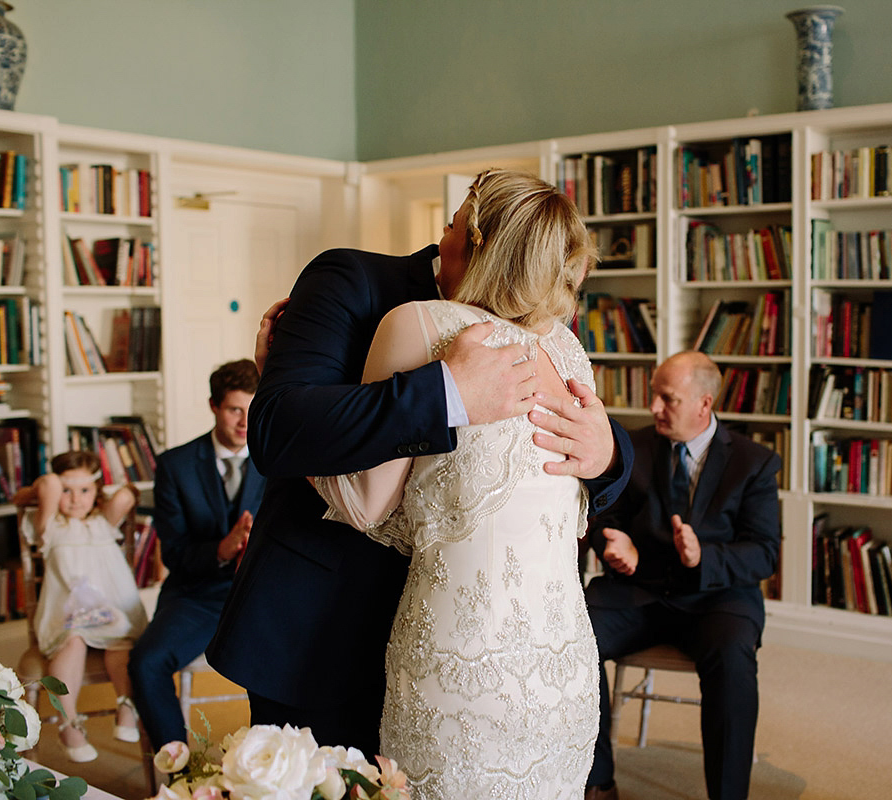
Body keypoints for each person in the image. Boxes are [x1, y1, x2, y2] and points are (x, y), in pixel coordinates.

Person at [206, 171, 633, 760]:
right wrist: (446, 392)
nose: (443, 232)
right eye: (453, 221)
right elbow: (276, 430)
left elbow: (570, 448)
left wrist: (608, 454)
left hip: (472, 646)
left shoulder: (538, 323)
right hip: (324, 628)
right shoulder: (349, 280)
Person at [311, 168, 602, 798]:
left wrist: (273, 378)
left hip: (460, 673)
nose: (437, 237)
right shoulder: (570, 351)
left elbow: (365, 503)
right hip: (563, 670)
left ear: (478, 243)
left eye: (449, 223)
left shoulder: (419, 324)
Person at [583, 351, 781, 800]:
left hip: (717, 598)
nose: (654, 408)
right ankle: (598, 783)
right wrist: (614, 540)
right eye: (655, 395)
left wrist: (703, 557)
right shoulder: (633, 447)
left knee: (732, 659)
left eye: (666, 399)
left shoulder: (753, 463)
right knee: (576, 633)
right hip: (640, 590)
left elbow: (763, 553)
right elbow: (600, 514)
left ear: (704, 404)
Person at [129, 359, 263, 751]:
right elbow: (175, 553)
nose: (244, 422)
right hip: (197, 595)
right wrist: (222, 549)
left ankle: (273, 771)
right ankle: (176, 770)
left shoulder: (281, 461)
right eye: (235, 410)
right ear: (213, 406)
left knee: (297, 663)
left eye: (253, 410)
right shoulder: (175, 465)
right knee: (145, 662)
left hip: (260, 595)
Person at [14, 451, 148, 763]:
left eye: (84, 491)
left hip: (109, 611)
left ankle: (126, 702)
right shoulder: (49, 527)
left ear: (97, 491)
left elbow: (128, 494)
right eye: (67, 491)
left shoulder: (102, 524)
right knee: (71, 643)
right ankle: (68, 721)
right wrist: (48, 487)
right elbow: (47, 483)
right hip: (66, 613)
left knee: (122, 644)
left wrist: (100, 491)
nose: (75, 500)